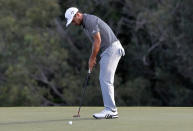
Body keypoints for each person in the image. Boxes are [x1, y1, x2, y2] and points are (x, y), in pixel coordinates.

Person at [65, 7, 125, 119]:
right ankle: (110, 109)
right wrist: (93, 57)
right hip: (109, 50)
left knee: (105, 79)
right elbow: (96, 41)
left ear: (77, 14)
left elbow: (98, 40)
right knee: (104, 79)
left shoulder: (90, 21)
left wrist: (92, 58)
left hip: (111, 49)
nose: (73, 23)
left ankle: (111, 110)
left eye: (73, 20)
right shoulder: (86, 23)